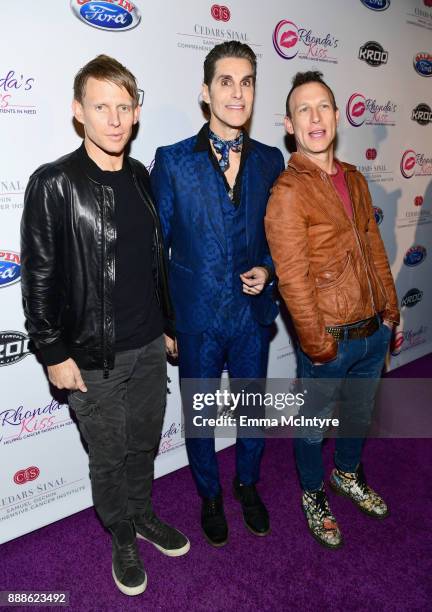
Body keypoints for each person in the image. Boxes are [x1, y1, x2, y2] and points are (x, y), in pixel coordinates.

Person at [20, 55, 189, 597]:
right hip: (92, 357)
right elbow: (39, 276)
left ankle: (142, 514)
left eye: (124, 107)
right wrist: (52, 351)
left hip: (147, 347)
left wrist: (166, 325)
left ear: (136, 112)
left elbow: (151, 262)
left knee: (143, 444)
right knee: (109, 454)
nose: (115, 120)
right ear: (79, 111)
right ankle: (120, 533)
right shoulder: (53, 183)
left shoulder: (140, 176)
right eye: (101, 107)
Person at [151, 41, 284, 547]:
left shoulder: (271, 161)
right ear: (206, 93)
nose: (237, 92)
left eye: (247, 82)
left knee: (252, 411)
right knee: (200, 415)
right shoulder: (173, 161)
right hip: (197, 319)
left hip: (251, 316)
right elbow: (156, 252)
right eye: (226, 82)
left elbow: (283, 240)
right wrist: (167, 323)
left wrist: (268, 271)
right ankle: (209, 494)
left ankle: (247, 485)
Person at [265, 71, 399, 549]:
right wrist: (317, 344)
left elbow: (374, 248)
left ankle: (346, 474)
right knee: (311, 429)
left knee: (358, 418)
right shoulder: (287, 191)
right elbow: (292, 278)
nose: (315, 117)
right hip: (330, 342)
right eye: (304, 109)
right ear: (289, 124)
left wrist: (390, 313)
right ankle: (313, 492)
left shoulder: (356, 179)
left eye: (323, 107)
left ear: (337, 117)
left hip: (372, 333)